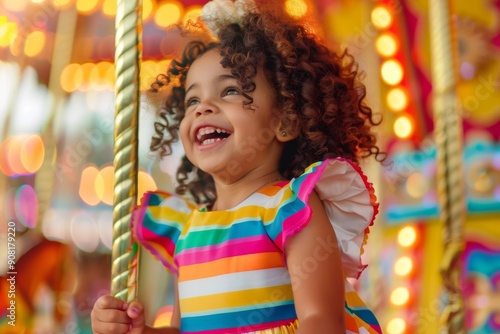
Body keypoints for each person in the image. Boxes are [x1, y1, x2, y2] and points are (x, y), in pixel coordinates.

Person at [91, 0, 384, 333]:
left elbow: (321, 319)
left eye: (230, 90)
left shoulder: (290, 208)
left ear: (285, 121)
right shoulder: (187, 230)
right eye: (192, 100)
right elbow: (183, 328)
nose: (203, 109)